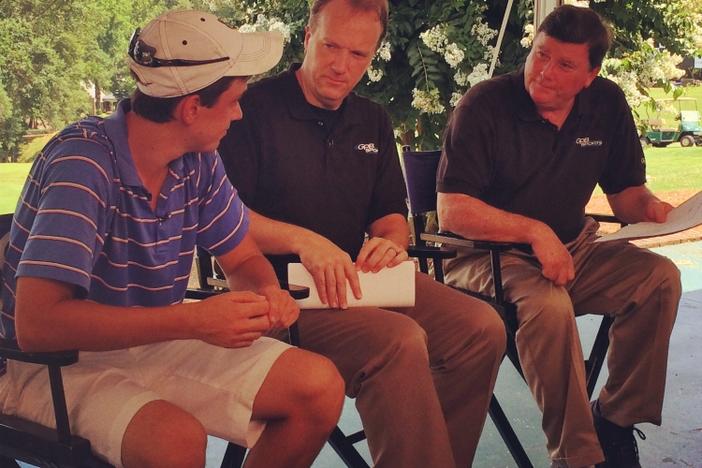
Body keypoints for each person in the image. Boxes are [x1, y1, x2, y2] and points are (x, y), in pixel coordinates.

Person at [0, 10, 345, 468]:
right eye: (234, 100)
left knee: (318, 388)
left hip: (149, 340)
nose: (240, 113)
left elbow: (241, 256)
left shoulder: (196, 160)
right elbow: (38, 326)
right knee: (174, 442)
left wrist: (264, 293)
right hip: (46, 365)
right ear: (191, 109)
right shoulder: (83, 166)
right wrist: (192, 322)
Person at [217, 0, 507, 466]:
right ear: (308, 38)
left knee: (481, 329)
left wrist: (390, 242)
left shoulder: (372, 119)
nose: (341, 65)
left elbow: (390, 214)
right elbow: (223, 217)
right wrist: (305, 242)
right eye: (331, 46)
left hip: (359, 280)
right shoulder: (248, 111)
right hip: (280, 289)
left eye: (358, 55)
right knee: (398, 341)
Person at [436, 5, 681, 468]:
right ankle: (578, 456)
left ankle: (614, 421)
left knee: (660, 278)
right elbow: (454, 211)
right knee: (549, 306)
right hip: (485, 255)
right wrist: (534, 232)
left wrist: (654, 210)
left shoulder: (605, 103)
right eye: (540, 55)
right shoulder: (484, 104)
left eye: (564, 64)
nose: (544, 73)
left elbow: (626, 194)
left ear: (591, 75)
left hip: (574, 249)